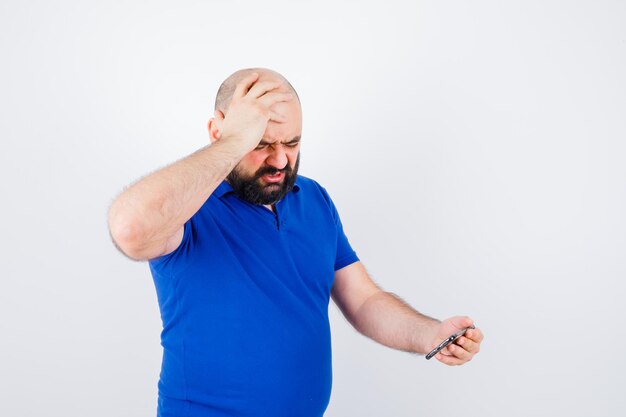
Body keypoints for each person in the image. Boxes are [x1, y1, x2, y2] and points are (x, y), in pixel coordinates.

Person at [108, 68, 484, 417]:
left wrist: (429, 335)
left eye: (292, 142)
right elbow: (130, 230)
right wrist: (234, 142)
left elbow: (364, 300)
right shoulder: (186, 208)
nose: (279, 160)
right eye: (259, 143)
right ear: (218, 133)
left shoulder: (314, 199)